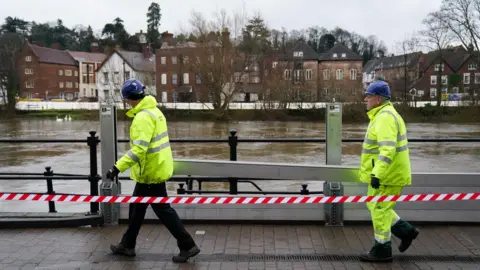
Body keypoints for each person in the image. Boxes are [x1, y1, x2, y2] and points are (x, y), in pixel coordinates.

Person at [107, 78, 200, 263]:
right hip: (155, 168)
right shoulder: (155, 111)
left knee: (163, 210)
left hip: (149, 172)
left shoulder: (142, 117)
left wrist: (117, 167)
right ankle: (127, 245)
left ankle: (188, 245)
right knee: (137, 208)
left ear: (129, 99)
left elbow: (139, 150)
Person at [358, 80, 420, 262]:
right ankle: (406, 231)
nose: (365, 99)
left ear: (378, 99)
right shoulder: (382, 115)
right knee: (376, 206)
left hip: (387, 176)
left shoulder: (385, 117)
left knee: (379, 210)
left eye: (368, 96)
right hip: (386, 174)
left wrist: (377, 173)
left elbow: (387, 149)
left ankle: (382, 249)